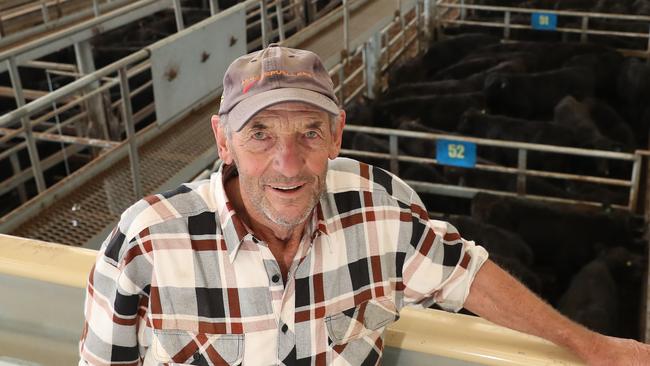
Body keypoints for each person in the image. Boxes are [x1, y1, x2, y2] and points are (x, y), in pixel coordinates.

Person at [79, 44, 650, 365]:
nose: (288, 161)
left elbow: (467, 273)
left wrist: (594, 346)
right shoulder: (146, 243)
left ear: (338, 136)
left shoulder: (379, 210)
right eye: (260, 135)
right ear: (222, 140)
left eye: (309, 131)